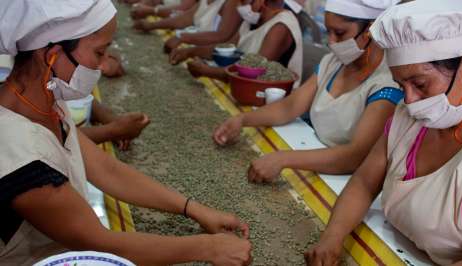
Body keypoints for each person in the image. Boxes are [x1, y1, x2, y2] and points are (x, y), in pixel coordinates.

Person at [0, 1, 251, 265]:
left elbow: (107, 170)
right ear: (51, 55)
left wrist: (194, 209)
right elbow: (97, 242)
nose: (104, 64)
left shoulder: (45, 98)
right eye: (99, 53)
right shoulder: (17, 150)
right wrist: (208, 248)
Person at [305, 0, 462, 265]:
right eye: (401, 85)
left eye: (420, 84)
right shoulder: (411, 115)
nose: (409, 100)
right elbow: (363, 182)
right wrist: (332, 237)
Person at [213, 0, 402, 183]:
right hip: (313, 158)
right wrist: (243, 120)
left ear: (369, 31)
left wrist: (284, 159)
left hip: (343, 180)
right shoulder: (333, 62)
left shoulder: (387, 84)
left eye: (339, 33)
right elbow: (290, 106)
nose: (331, 41)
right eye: (328, 32)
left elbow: (354, 156)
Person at [171, 0, 304, 86]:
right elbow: (227, 48)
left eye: (243, 1)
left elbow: (253, 73)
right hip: (240, 86)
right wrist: (190, 51)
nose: (239, 6)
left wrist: (207, 71)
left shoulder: (280, 27)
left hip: (269, 98)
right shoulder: (253, 18)